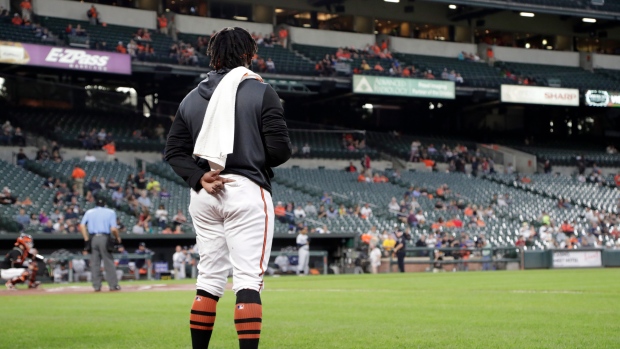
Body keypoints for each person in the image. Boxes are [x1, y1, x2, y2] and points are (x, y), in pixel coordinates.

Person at [165, 26, 291, 349]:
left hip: (205, 193)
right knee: (247, 280)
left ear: (214, 56)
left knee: (207, 281)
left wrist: (197, 177)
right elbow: (280, 150)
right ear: (250, 55)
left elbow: (173, 152)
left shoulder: (191, 98)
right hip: (246, 190)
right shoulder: (262, 91)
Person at [80, 198, 122, 292]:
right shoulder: (110, 212)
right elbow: (114, 229)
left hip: (93, 238)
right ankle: (113, 285)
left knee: (95, 263)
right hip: (104, 237)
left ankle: (96, 286)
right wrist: (117, 237)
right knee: (108, 262)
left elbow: (82, 226)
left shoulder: (89, 212)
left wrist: (86, 239)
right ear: (104, 204)